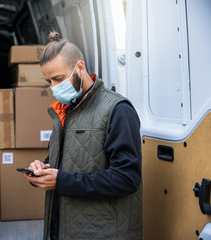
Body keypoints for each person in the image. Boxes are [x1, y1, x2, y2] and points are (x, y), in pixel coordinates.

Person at [24, 31, 142, 240]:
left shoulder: (118, 110)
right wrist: (42, 170)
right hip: (64, 230)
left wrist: (61, 181)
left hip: (102, 233)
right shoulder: (66, 109)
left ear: (80, 67)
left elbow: (126, 178)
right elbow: (66, 161)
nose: (53, 87)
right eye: (48, 81)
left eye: (58, 79)